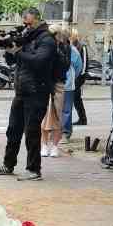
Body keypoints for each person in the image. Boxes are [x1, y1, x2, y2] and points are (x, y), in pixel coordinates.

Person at [0, 7, 57, 181]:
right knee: (13, 130)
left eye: (27, 23)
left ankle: (34, 170)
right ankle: (8, 164)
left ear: (36, 20)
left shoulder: (46, 39)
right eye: (24, 23)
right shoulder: (27, 38)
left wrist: (19, 52)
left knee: (32, 132)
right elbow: (14, 60)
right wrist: (10, 51)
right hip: (21, 91)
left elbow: (39, 62)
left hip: (37, 92)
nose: (25, 26)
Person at [41, 25, 70, 157]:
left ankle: (54, 145)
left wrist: (58, 51)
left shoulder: (65, 48)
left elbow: (65, 66)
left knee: (57, 115)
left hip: (58, 83)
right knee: (45, 116)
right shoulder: (46, 46)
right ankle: (44, 144)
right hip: (46, 84)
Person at [62, 31, 84, 140]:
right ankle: (56, 130)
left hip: (68, 84)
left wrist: (71, 77)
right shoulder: (53, 48)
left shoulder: (73, 50)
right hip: (56, 83)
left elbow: (78, 67)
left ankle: (66, 131)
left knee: (66, 109)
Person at [71, 30, 88, 126]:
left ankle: (83, 118)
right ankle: (82, 118)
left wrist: (81, 75)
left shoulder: (82, 46)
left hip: (80, 76)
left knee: (76, 97)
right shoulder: (71, 46)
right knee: (76, 98)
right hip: (73, 76)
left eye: (72, 36)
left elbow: (84, 62)